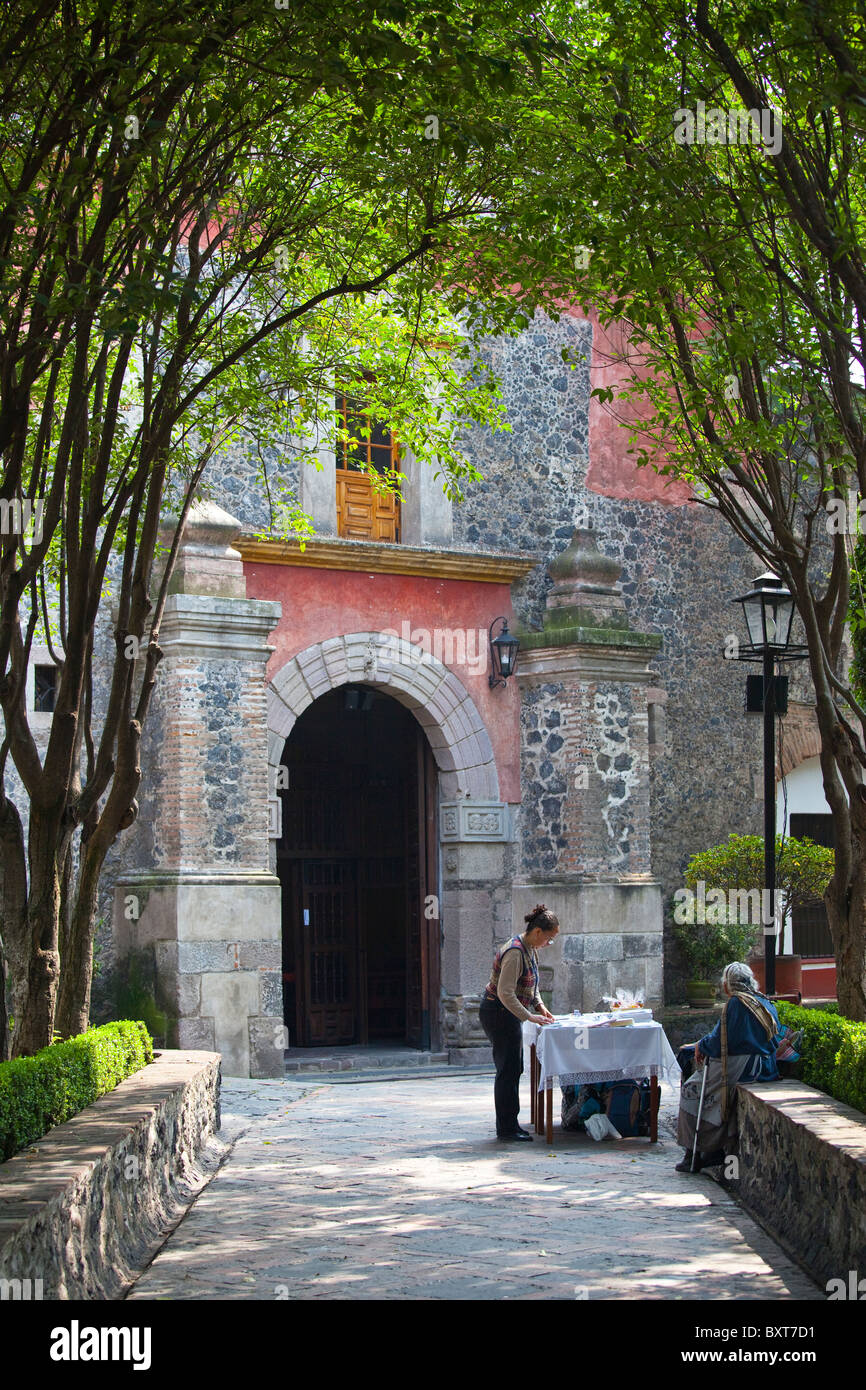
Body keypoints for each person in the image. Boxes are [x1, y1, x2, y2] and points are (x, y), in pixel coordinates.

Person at [676, 960, 780, 1173]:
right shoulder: (763, 1001)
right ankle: (708, 1150)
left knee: (690, 1091)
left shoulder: (736, 1004)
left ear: (727, 985)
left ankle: (694, 1153)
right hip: (762, 1065)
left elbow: (718, 1042)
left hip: (738, 1066)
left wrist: (700, 1045)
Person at [478, 905, 559, 1141]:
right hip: (498, 1012)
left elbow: (532, 985)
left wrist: (540, 1006)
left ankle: (511, 1124)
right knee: (508, 1070)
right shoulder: (514, 952)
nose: (548, 943)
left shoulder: (530, 949)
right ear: (537, 932)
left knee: (514, 1069)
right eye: (549, 938)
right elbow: (505, 993)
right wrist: (529, 1016)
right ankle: (506, 1128)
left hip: (509, 1013)